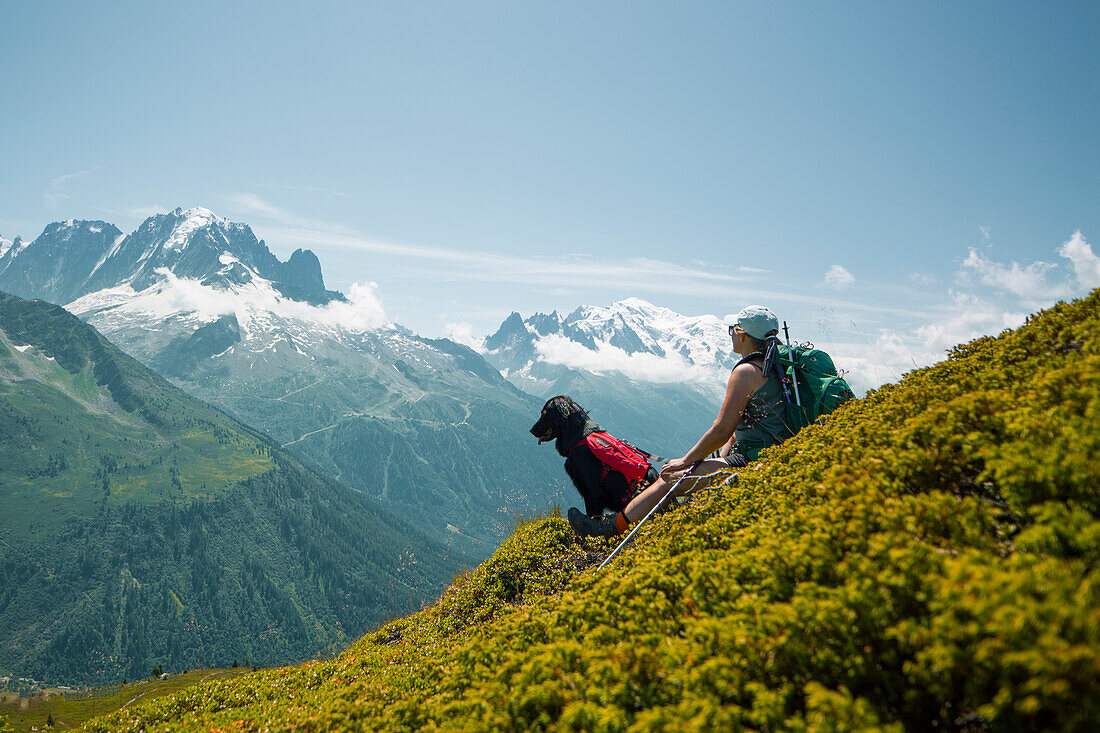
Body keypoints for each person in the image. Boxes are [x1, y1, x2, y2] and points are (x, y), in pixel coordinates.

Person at [567, 305, 793, 537]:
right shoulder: (778, 367)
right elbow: (742, 426)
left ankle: (608, 529)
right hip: (771, 453)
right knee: (681, 475)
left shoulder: (746, 372)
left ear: (742, 333)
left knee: (670, 478)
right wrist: (720, 457)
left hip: (752, 461)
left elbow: (722, 429)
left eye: (733, 330)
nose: (732, 335)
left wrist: (685, 461)